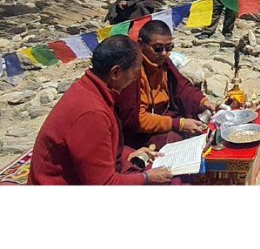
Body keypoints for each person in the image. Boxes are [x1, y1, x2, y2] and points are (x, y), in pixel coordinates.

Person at [28, 35, 173, 185]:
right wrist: (147, 177)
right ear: (115, 73)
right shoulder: (92, 113)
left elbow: (99, 147)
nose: (137, 76)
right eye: (136, 69)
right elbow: (103, 184)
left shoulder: (92, 88)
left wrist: (126, 154)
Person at [116, 20, 217, 149]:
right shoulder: (131, 71)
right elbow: (137, 119)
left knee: (204, 129)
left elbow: (182, 88)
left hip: (166, 116)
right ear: (141, 44)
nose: (164, 53)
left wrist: (203, 102)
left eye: (169, 48)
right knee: (177, 141)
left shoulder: (163, 62)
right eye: (158, 48)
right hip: (141, 132)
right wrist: (178, 124)